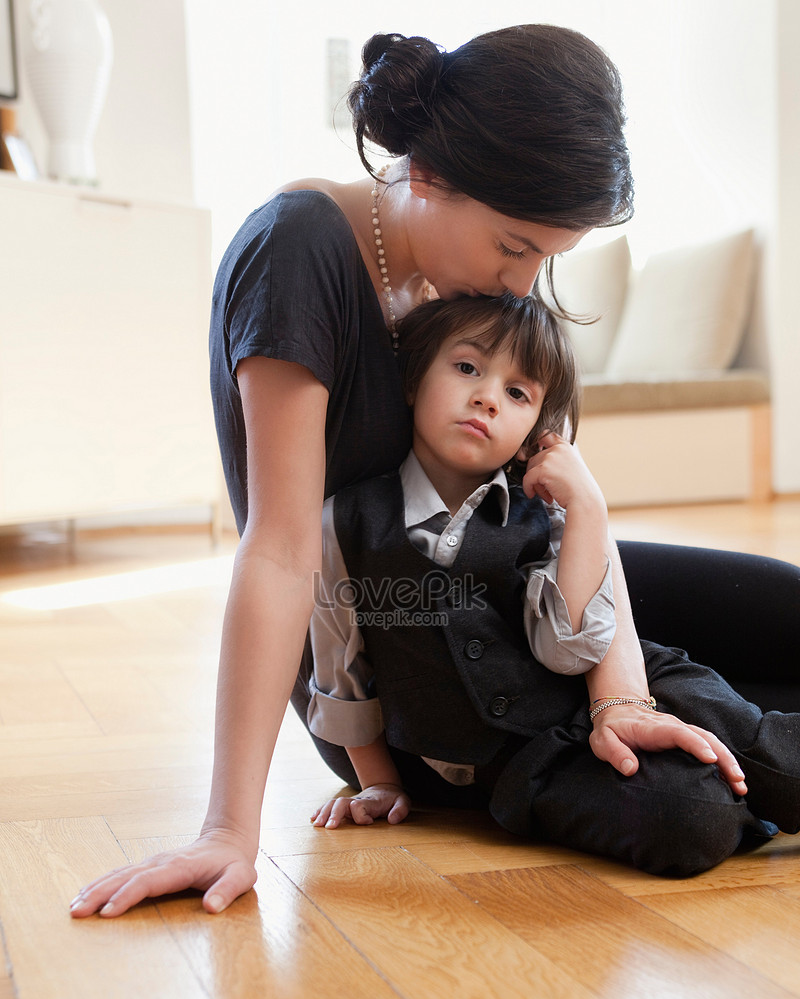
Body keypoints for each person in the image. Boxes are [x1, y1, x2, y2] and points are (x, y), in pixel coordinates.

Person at [70, 25, 800, 918]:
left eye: (546, 258)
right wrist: (228, 828)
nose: (527, 284)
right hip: (420, 665)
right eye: (516, 248)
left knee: (781, 612)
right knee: (707, 762)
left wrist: (620, 698)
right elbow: (279, 550)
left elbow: (566, 506)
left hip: (521, 588)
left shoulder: (478, 281)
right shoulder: (297, 254)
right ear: (427, 175)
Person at [306, 294, 800, 875]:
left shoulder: (547, 512)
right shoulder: (343, 521)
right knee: (692, 816)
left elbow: (568, 650)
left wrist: (588, 505)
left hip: (629, 683)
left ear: (535, 430)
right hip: (531, 761)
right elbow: (342, 667)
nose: (487, 397)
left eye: (518, 393)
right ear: (413, 380)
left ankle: (747, 777)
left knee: (781, 763)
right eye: (467, 367)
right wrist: (379, 783)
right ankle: (733, 798)